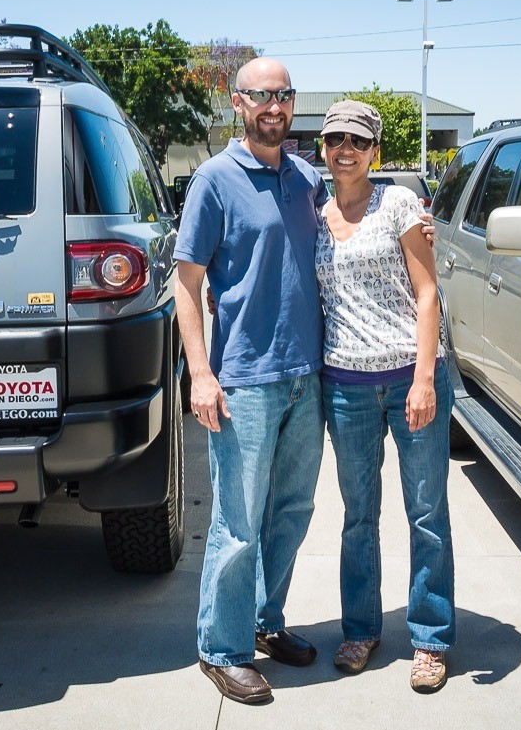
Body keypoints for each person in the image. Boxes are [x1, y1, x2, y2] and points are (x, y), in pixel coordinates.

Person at [175, 57, 327, 705]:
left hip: (305, 375)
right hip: (244, 379)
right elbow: (186, 283)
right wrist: (201, 373)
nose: (275, 106)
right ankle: (222, 648)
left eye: (284, 95)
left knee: (291, 511)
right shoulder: (214, 179)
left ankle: (265, 619)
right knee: (237, 524)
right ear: (237, 102)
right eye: (262, 96)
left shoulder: (307, 177)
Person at [314, 99, 456, 693]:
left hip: (410, 381)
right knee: (358, 517)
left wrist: (423, 379)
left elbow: (427, 293)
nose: (344, 150)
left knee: (426, 513)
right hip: (345, 388)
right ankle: (361, 629)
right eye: (334, 139)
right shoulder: (315, 215)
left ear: (375, 151)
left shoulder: (397, 203)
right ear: (323, 148)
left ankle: (430, 638)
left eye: (356, 140)